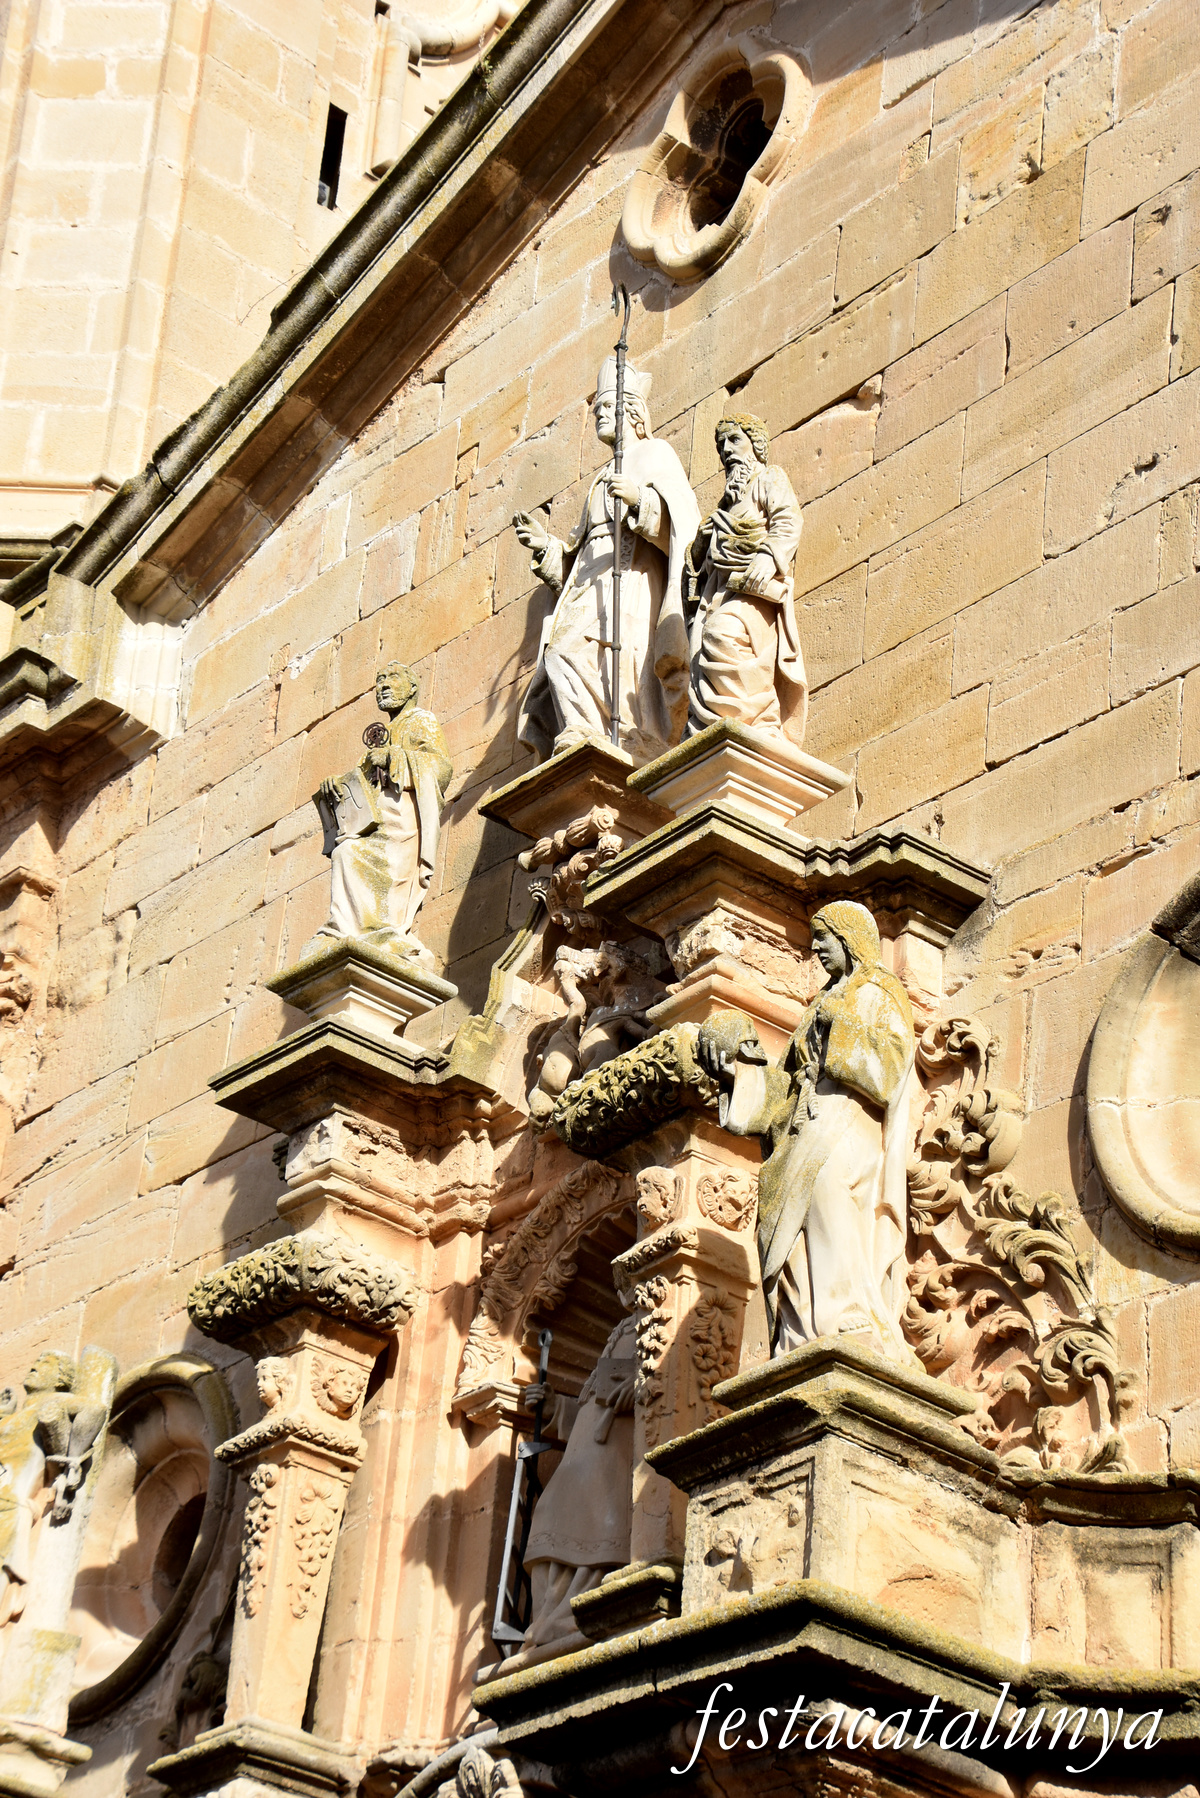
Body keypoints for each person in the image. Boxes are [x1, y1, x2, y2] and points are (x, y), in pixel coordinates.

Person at [698, 901, 917, 1360]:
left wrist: (836, 1022)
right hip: (804, 1125)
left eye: (825, 937)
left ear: (849, 940)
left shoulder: (878, 989)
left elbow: (890, 1066)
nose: (816, 947)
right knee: (787, 1227)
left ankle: (848, 1312)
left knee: (829, 1193)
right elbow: (787, 1088)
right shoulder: (820, 1003)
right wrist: (741, 1064)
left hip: (847, 1118)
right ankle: (800, 1333)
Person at [514, 357, 700, 765]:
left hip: (632, 579)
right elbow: (579, 549)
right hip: (589, 581)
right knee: (560, 651)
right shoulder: (601, 477)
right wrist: (546, 549)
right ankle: (582, 725)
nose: (598, 414)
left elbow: (684, 522)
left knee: (620, 660)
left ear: (633, 413)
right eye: (596, 408)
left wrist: (641, 501)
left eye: (606, 407)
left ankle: (631, 732)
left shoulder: (655, 453)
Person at [307, 661, 452, 965]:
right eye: (379, 679)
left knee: (384, 866)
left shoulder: (419, 721)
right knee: (345, 851)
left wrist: (396, 756)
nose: (383, 685)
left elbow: (440, 768)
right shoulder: (382, 734)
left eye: (392, 678)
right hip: (375, 821)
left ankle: (386, 928)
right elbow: (361, 781)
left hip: (401, 820)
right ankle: (347, 928)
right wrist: (336, 785)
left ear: (412, 687)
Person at [686, 412, 807, 745]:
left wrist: (768, 558)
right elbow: (698, 569)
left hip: (755, 590)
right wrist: (700, 544)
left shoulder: (769, 478)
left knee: (723, 634)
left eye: (734, 439)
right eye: (720, 444)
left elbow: (788, 520)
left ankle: (757, 721)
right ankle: (717, 724)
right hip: (720, 594)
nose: (726, 449)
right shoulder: (723, 507)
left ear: (755, 444)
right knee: (702, 651)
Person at [519, 1312, 636, 1649]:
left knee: (597, 1523)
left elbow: (677, 1378)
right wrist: (555, 1405)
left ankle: (572, 1617)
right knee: (548, 1514)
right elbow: (591, 1406)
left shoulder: (667, 1314)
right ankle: (547, 1617)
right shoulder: (621, 1327)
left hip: (614, 1450)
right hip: (586, 1449)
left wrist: (641, 1386)